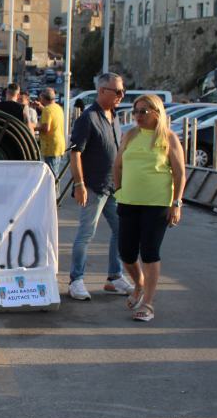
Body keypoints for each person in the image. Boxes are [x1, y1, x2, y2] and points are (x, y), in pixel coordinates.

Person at [113, 94, 185, 322]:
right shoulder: (130, 135)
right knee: (126, 252)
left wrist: (177, 203)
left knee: (150, 252)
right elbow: (117, 165)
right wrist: (118, 191)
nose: (137, 116)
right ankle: (139, 284)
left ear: (157, 112)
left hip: (157, 204)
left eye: (143, 111)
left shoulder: (169, 138)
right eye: (135, 112)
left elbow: (179, 173)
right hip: (129, 201)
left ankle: (148, 303)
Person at [67, 72, 135, 300]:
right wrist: (79, 184)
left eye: (122, 91)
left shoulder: (113, 116)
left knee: (121, 230)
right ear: (101, 91)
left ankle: (114, 277)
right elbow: (75, 153)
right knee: (86, 233)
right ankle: (76, 280)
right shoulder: (88, 118)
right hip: (94, 187)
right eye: (117, 91)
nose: (121, 95)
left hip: (113, 187)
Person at [36, 88, 65, 180]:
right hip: (59, 145)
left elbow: (46, 128)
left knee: (52, 176)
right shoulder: (57, 107)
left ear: (43, 98)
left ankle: (55, 194)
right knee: (55, 173)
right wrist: (41, 107)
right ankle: (55, 193)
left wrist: (32, 126)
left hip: (50, 146)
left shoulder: (47, 110)